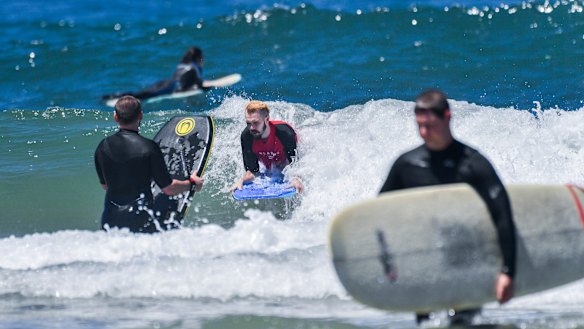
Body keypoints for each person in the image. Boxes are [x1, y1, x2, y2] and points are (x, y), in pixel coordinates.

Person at [379, 89, 516, 326]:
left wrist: (507, 272)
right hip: (424, 267)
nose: (424, 133)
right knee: (427, 324)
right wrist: (388, 264)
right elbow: (380, 216)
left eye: (430, 125)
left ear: (447, 117)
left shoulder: (474, 164)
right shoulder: (407, 165)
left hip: (468, 265)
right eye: (419, 126)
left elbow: (502, 215)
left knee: (462, 322)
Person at [94, 95, 204, 233]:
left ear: (116, 117)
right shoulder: (148, 147)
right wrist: (193, 184)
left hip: (110, 221)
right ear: (140, 115)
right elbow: (168, 189)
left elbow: (105, 185)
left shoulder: (103, 146)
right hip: (139, 220)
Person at [230, 100, 304, 192]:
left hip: (287, 156)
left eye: (255, 123)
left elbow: (295, 164)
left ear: (267, 119)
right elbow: (253, 171)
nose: (251, 128)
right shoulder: (247, 136)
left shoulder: (285, 133)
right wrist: (241, 181)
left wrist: (296, 179)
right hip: (271, 160)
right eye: (248, 123)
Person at [102, 47, 205, 101]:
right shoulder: (194, 67)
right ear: (197, 58)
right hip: (171, 86)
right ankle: (121, 96)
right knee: (150, 95)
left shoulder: (182, 64)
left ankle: (117, 95)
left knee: (145, 92)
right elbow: (197, 84)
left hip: (165, 82)